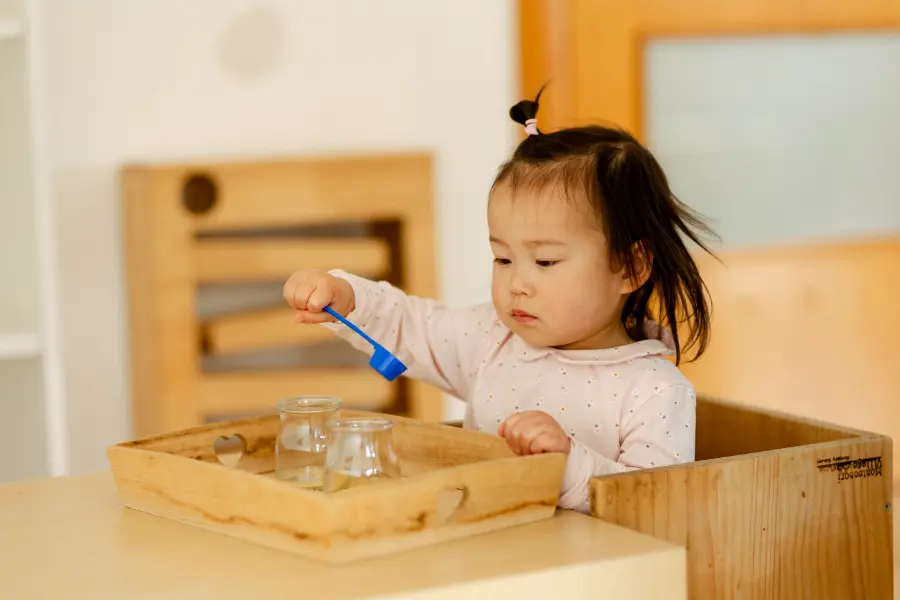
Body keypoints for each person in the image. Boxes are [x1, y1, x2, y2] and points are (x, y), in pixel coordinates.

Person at [282, 88, 717, 513]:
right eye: (503, 258)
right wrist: (348, 295)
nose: (517, 284)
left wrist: (567, 462)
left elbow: (655, 507)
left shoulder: (653, 389)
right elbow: (409, 326)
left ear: (630, 267)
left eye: (545, 261)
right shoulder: (493, 337)